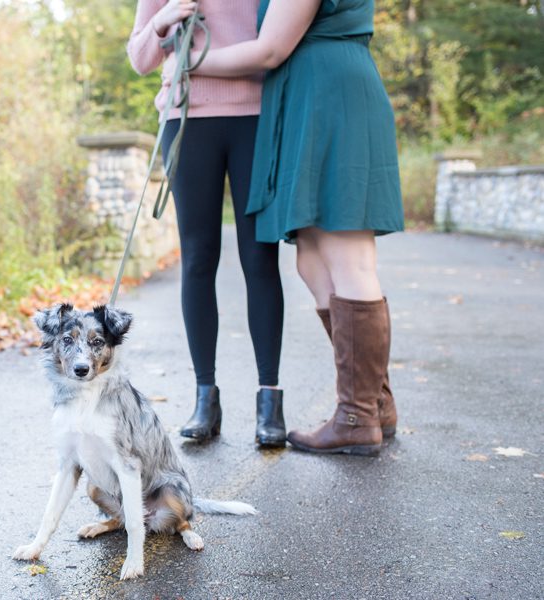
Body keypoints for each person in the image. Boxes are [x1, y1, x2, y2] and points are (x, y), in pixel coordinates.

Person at [172, 0, 404, 455]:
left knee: (348, 255)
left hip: (332, 94)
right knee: (313, 261)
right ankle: (375, 404)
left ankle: (356, 416)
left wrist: (188, 62)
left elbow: (269, 50)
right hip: (307, 96)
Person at [127, 0, 287, 446]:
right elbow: (141, 60)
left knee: (260, 256)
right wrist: (161, 21)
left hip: (255, 118)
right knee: (198, 257)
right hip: (186, 121)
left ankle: (269, 400)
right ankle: (205, 397)